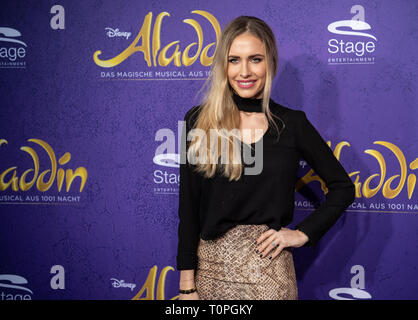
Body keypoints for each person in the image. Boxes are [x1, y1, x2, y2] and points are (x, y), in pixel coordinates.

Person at [176, 16, 355, 300]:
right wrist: (187, 286)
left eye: (255, 59)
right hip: (210, 274)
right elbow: (188, 209)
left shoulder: (291, 124)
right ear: (223, 65)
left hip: (270, 276)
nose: (244, 71)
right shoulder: (198, 121)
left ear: (269, 62)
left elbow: (343, 188)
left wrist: (302, 233)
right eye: (234, 60)